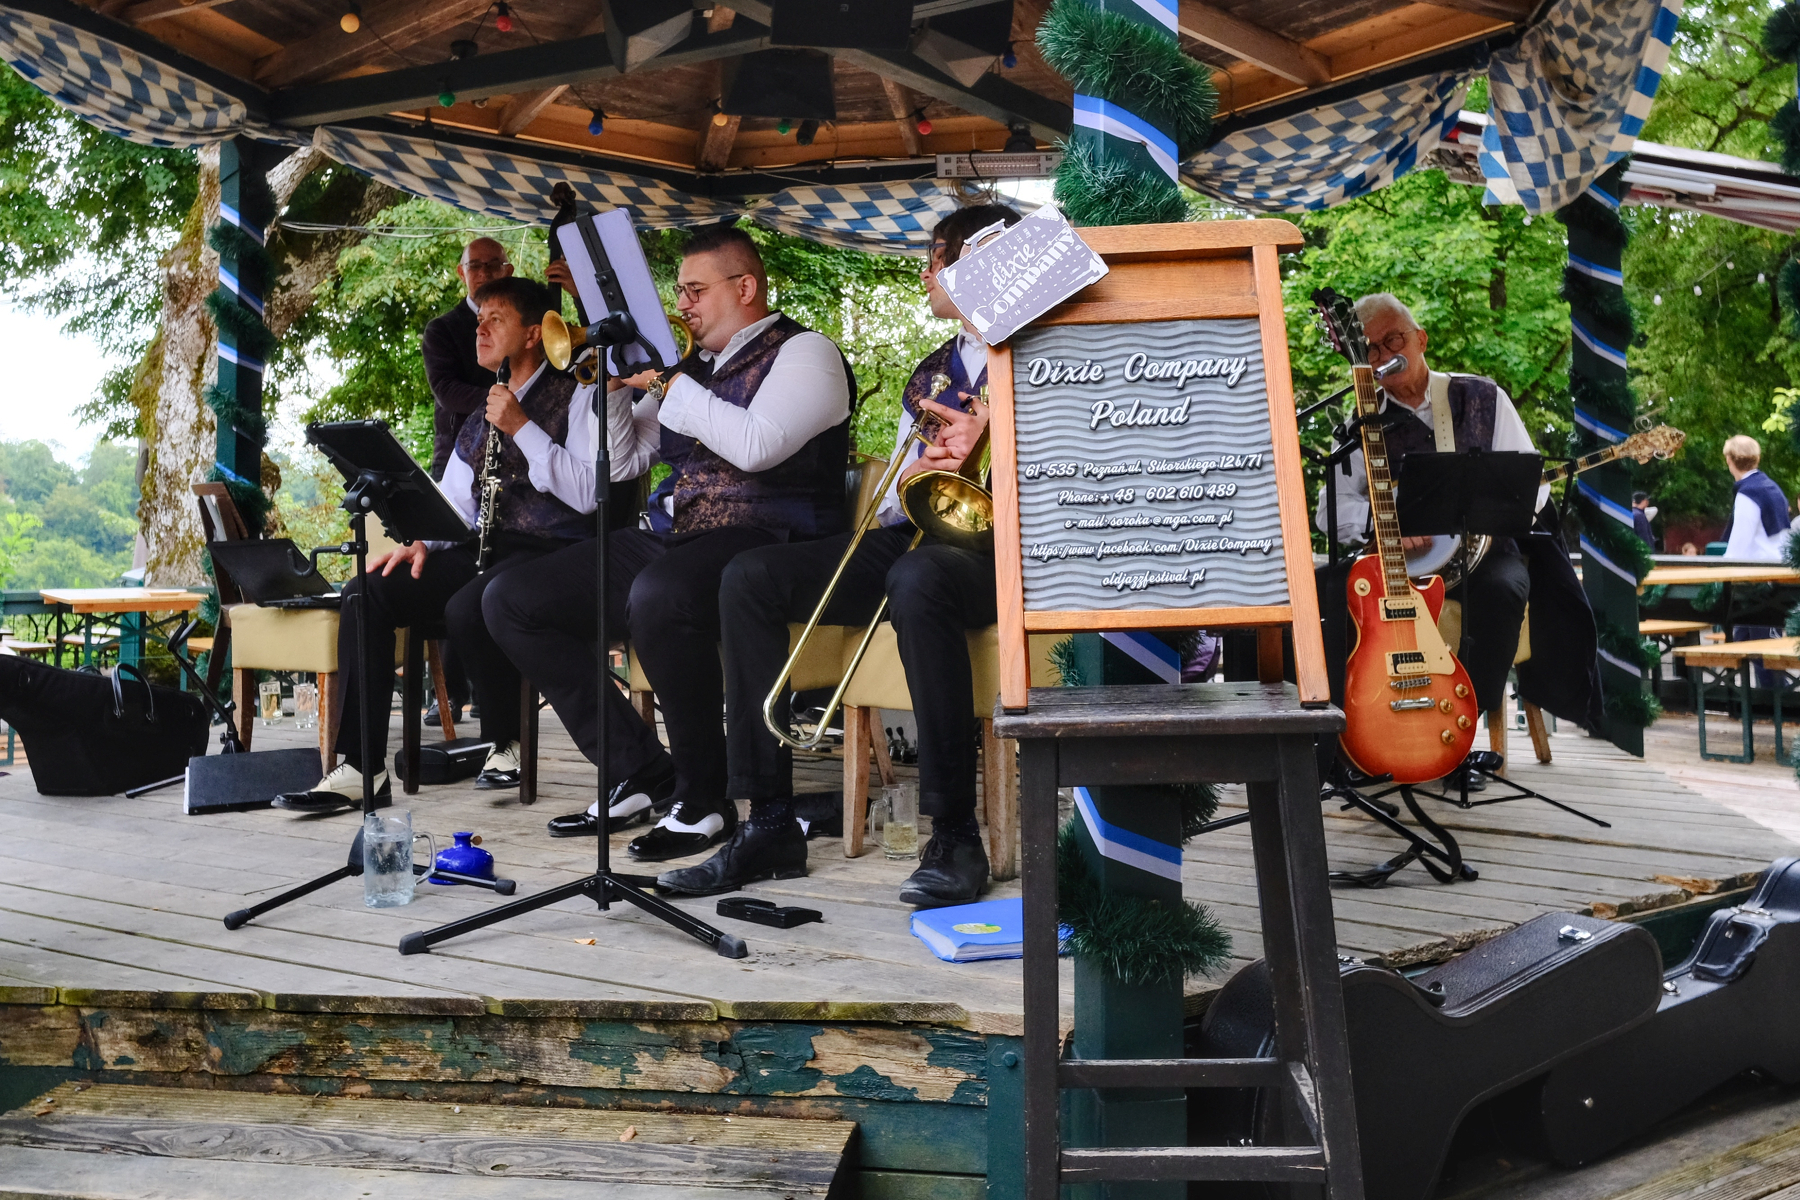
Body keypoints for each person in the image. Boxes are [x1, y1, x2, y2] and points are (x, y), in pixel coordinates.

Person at [655, 203, 1022, 903]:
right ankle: (767, 822)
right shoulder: (935, 370)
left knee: (917, 578)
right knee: (750, 576)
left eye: (937, 260)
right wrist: (915, 475)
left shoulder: (1038, 354)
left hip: (1004, 545)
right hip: (925, 530)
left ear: (983, 264)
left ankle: (953, 833)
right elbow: (897, 499)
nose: (926, 275)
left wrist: (996, 436)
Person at [484, 225, 854, 854]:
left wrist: (668, 385)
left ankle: (704, 798)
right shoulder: (693, 369)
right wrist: (608, 394)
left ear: (746, 287)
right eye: (679, 292)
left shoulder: (806, 353)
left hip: (772, 540)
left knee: (660, 594)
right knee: (510, 600)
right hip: (683, 537)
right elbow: (627, 461)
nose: (682, 304)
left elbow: (756, 445)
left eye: (695, 291)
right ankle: (639, 766)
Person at [275, 277, 594, 811]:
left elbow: (585, 495)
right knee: (365, 592)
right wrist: (425, 540)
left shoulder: (578, 394)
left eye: (495, 319)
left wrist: (521, 427)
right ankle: (360, 767)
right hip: (483, 549)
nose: (480, 328)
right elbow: (457, 505)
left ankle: (507, 741)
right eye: (478, 319)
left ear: (534, 334)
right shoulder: (481, 410)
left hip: (549, 551)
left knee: (472, 605)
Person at [1316, 293, 1546, 728]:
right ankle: (1344, 728)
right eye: (1371, 349)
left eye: (1394, 340)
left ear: (1420, 339)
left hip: (1483, 559)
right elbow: (1329, 508)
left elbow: (1534, 483)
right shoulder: (1357, 424)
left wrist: (1487, 513)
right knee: (1320, 591)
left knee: (1504, 590)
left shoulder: (1483, 397)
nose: (1385, 354)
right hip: (1395, 567)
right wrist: (1382, 524)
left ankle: (1461, 725)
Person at [421, 238, 514, 723]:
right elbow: (446, 390)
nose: (483, 273)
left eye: (492, 265)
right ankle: (449, 694)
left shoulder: (524, 322)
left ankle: (492, 693)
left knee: (487, 572)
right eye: (475, 266)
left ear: (508, 270)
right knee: (455, 565)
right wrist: (510, 401)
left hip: (515, 461)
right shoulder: (443, 329)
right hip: (460, 455)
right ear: (462, 274)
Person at [1722, 435, 1790, 562]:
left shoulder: (1748, 493)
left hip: (1762, 569)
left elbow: (1738, 548)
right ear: (1757, 459)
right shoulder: (1772, 488)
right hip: (1780, 566)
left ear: (1729, 460)